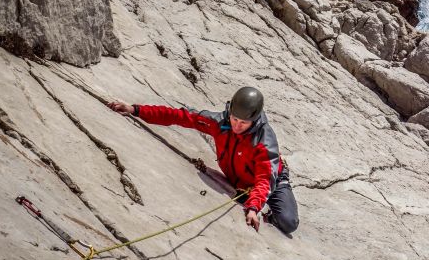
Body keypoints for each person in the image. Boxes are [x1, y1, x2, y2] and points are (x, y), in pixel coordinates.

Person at [107, 87, 299, 234]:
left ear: (255, 120)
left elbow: (265, 179)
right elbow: (182, 116)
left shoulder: (263, 141)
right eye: (234, 119)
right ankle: (249, 196)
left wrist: (254, 208)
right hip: (240, 179)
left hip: (272, 180)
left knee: (288, 222)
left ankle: (270, 213)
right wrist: (135, 110)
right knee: (245, 195)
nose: (237, 126)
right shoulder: (220, 123)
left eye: (243, 123)